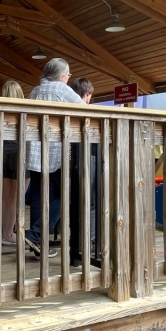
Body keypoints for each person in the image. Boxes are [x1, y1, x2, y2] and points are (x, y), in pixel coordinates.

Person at [25, 59, 83, 258]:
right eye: (68, 74)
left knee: (37, 197)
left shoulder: (35, 91)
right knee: (61, 194)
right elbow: (84, 109)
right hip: (56, 151)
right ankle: (35, 234)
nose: (68, 78)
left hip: (35, 151)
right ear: (61, 75)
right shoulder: (62, 89)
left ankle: (38, 244)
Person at [67, 77, 100, 267]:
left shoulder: (68, 109)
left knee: (74, 205)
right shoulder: (88, 111)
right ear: (87, 95)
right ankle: (89, 244)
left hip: (70, 162)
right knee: (92, 203)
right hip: (88, 160)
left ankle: (76, 252)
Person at [0, 80, 25, 246]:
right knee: (16, 198)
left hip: (2, 154)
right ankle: (8, 233)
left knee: (4, 198)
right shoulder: (22, 111)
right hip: (18, 154)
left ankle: (2, 231)